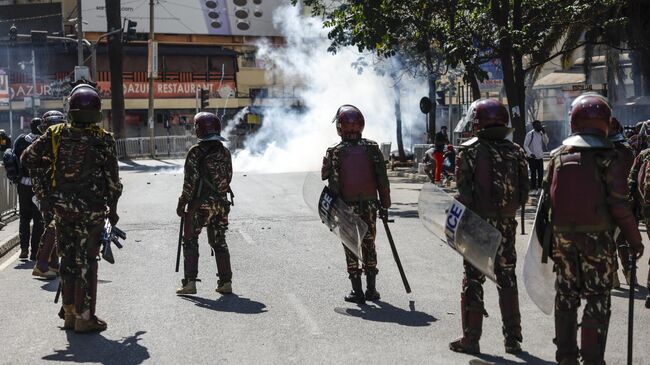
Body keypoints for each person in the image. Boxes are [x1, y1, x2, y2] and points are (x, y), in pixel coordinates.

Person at [546, 94, 643, 364]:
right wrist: (636, 241)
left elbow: (547, 204)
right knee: (597, 300)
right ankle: (592, 359)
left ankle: (565, 357)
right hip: (598, 243)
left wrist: (547, 245)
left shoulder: (557, 158)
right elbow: (621, 206)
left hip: (563, 241)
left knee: (565, 299)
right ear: (605, 123)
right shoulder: (610, 159)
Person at [22, 84, 122, 332]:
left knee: (67, 260)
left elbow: (27, 159)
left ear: (71, 110)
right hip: (93, 212)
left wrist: (48, 180)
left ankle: (68, 313)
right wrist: (114, 208)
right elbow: (113, 182)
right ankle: (84, 317)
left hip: (62, 210)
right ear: (97, 111)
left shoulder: (55, 134)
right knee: (88, 261)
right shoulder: (104, 139)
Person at [450, 99, 529, 355]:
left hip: (477, 225)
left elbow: (463, 195)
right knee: (507, 278)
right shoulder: (516, 151)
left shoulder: (468, 151)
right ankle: (513, 340)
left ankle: (471, 339)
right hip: (507, 225)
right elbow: (525, 194)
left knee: (473, 279)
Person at [321, 104, 391, 304]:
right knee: (369, 244)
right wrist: (385, 205)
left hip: (346, 208)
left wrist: (332, 211)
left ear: (340, 127)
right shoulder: (372, 148)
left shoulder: (335, 151)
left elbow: (330, 181)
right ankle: (372, 290)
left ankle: (356, 291)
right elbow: (382, 180)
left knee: (351, 246)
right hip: (370, 206)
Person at [176, 112, 234, 295]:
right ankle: (225, 283)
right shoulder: (225, 151)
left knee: (190, 240)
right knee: (219, 242)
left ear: (199, 129)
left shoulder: (195, 152)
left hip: (199, 206)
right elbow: (229, 177)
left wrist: (182, 203)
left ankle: (190, 283)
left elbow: (189, 183)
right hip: (221, 205)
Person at [31, 110, 66, 279]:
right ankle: (42, 263)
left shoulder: (62, 143)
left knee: (55, 228)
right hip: (47, 195)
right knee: (53, 226)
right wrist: (43, 198)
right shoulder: (40, 145)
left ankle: (53, 264)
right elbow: (35, 174)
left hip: (60, 193)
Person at [13, 117, 45, 260]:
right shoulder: (43, 142)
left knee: (24, 218)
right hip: (39, 186)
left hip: (23, 186)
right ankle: (34, 252)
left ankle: (24, 249)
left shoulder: (20, 140)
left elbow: (14, 159)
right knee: (39, 219)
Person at [523, 120, 549, 194]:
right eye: (537, 125)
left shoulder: (541, 134)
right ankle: (533, 189)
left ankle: (540, 189)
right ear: (534, 126)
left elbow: (546, 142)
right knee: (533, 174)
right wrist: (530, 154)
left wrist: (544, 133)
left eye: (540, 125)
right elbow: (525, 145)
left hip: (540, 157)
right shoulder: (530, 134)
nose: (539, 126)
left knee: (541, 174)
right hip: (532, 158)